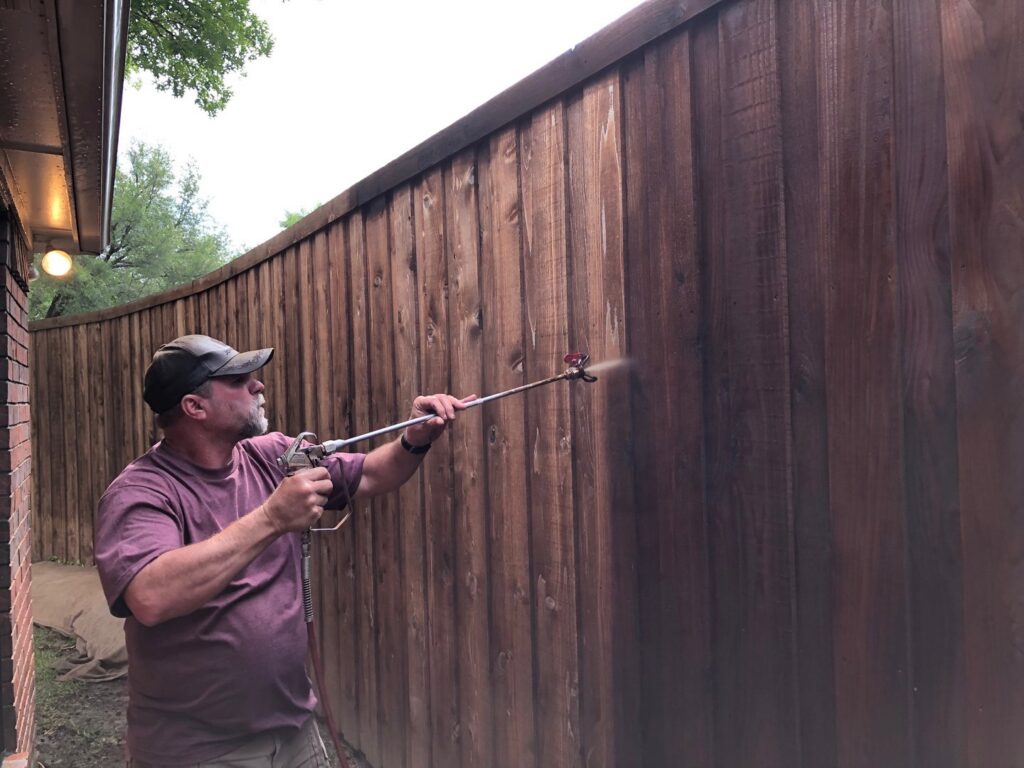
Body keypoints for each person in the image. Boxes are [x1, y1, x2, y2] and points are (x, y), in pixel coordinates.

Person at [94, 334, 473, 767]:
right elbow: (150, 596)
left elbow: (370, 475)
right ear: (194, 407)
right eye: (239, 380)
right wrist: (272, 519)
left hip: (294, 733)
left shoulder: (273, 455)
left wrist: (414, 439)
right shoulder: (143, 491)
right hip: (198, 751)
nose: (258, 386)